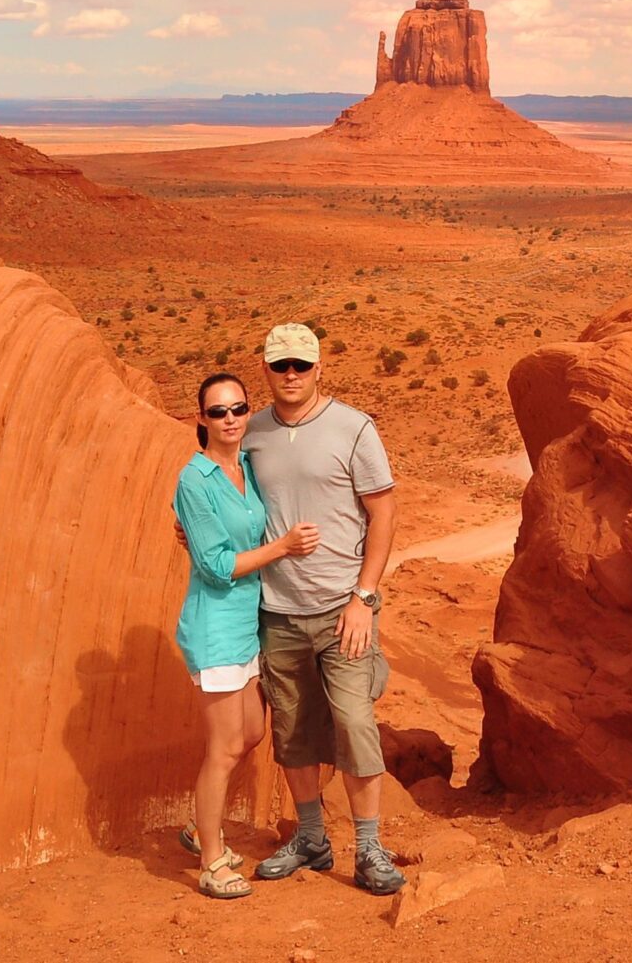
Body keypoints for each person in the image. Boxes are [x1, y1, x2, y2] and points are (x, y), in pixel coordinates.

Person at [239, 323, 405, 896]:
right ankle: (310, 837)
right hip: (277, 609)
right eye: (280, 365)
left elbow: (382, 514)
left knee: (355, 723)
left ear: (318, 369)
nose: (290, 375)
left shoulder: (354, 428)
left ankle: (368, 848)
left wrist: (364, 598)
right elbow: (224, 496)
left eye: (300, 366)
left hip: (342, 609)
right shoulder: (251, 431)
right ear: (265, 368)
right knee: (293, 729)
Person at [173, 371, 319, 900]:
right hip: (213, 626)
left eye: (238, 409)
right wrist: (282, 547)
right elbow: (214, 566)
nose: (231, 419)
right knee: (224, 746)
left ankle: (198, 827)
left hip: (246, 623)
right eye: (218, 412)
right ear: (202, 420)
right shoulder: (196, 479)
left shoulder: (246, 467)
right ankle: (210, 856)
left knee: (252, 734)